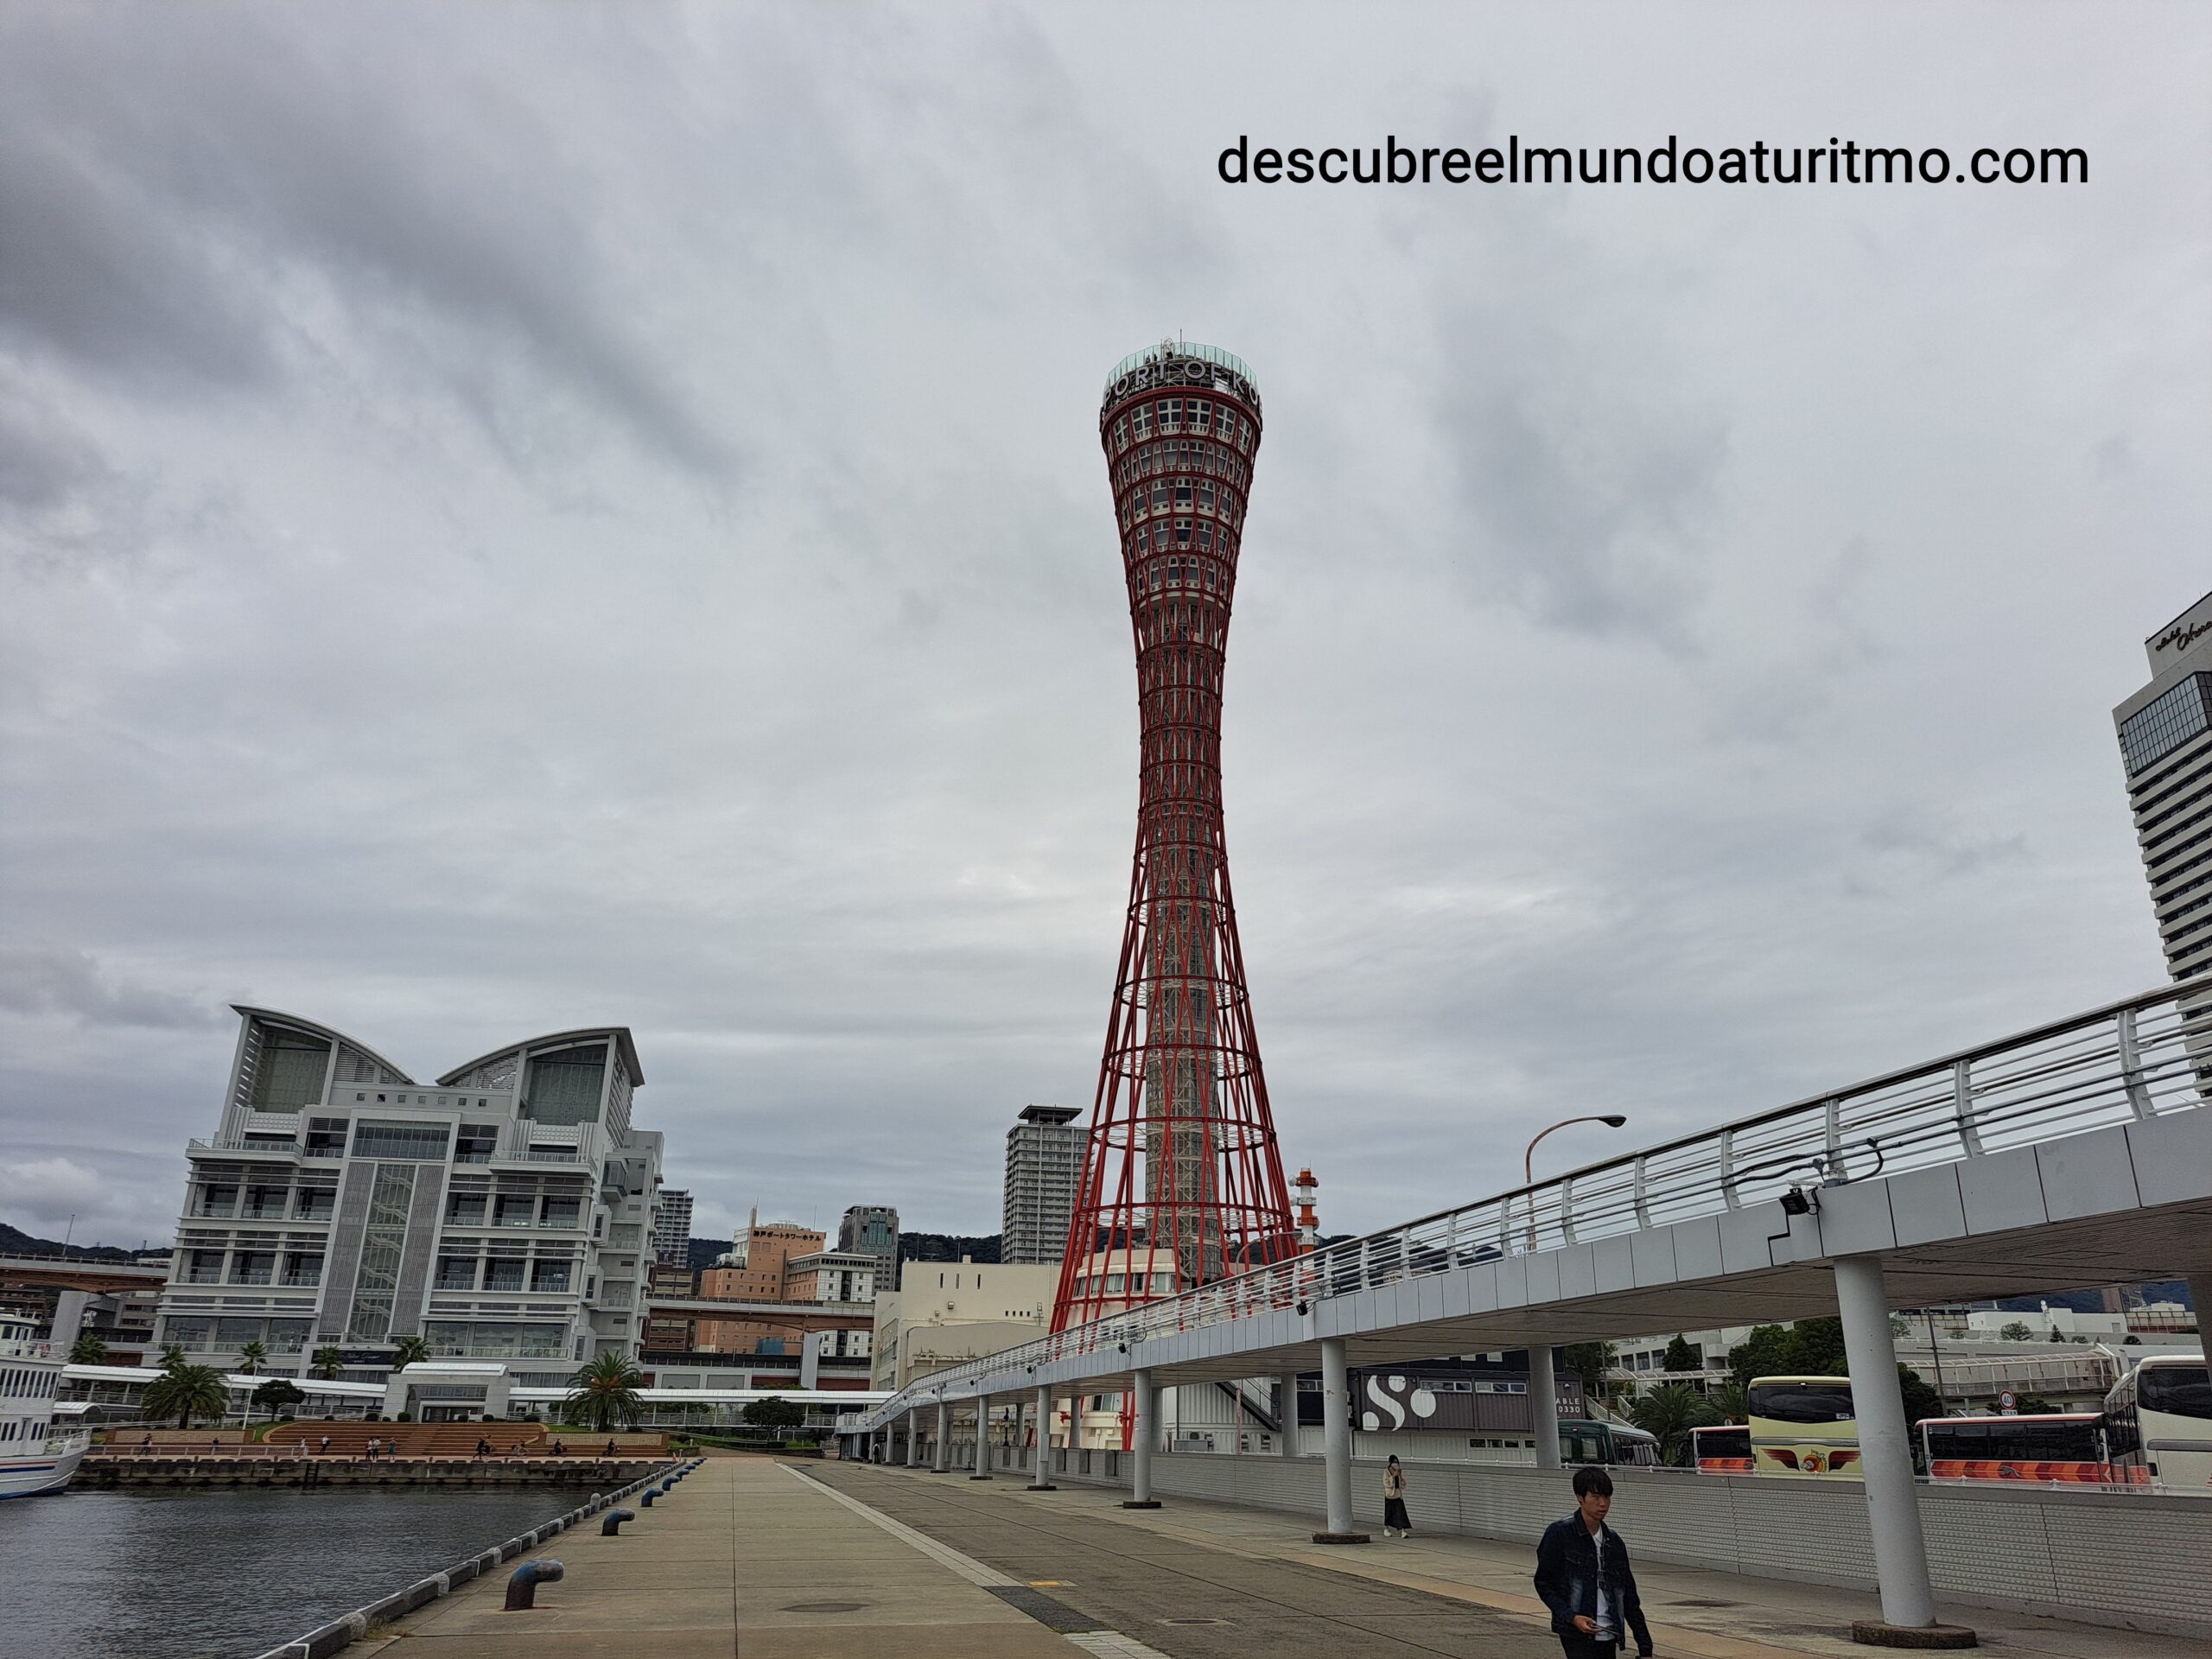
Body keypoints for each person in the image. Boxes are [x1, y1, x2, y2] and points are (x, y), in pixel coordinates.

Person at [1534, 1466, 1653, 1659]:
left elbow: (1629, 1596)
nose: (1603, 1503)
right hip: (1576, 1632)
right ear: (1580, 1498)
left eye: (1607, 1497)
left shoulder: (1613, 1542)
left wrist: (1645, 1646)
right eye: (1596, 1497)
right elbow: (1543, 1583)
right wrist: (1571, 1617)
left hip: (1610, 1633)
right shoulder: (1559, 1533)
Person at [1382, 1454, 1412, 1537]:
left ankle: (1403, 1530)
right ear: (1390, 1463)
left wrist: (1400, 1476)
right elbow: (1386, 1483)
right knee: (1388, 1512)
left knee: (1401, 1512)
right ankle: (1386, 1529)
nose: (1395, 1464)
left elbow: (1402, 1484)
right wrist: (1393, 1476)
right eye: (1393, 1462)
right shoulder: (1386, 1471)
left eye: (1396, 1462)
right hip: (1390, 1495)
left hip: (1398, 1495)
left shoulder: (1398, 1471)